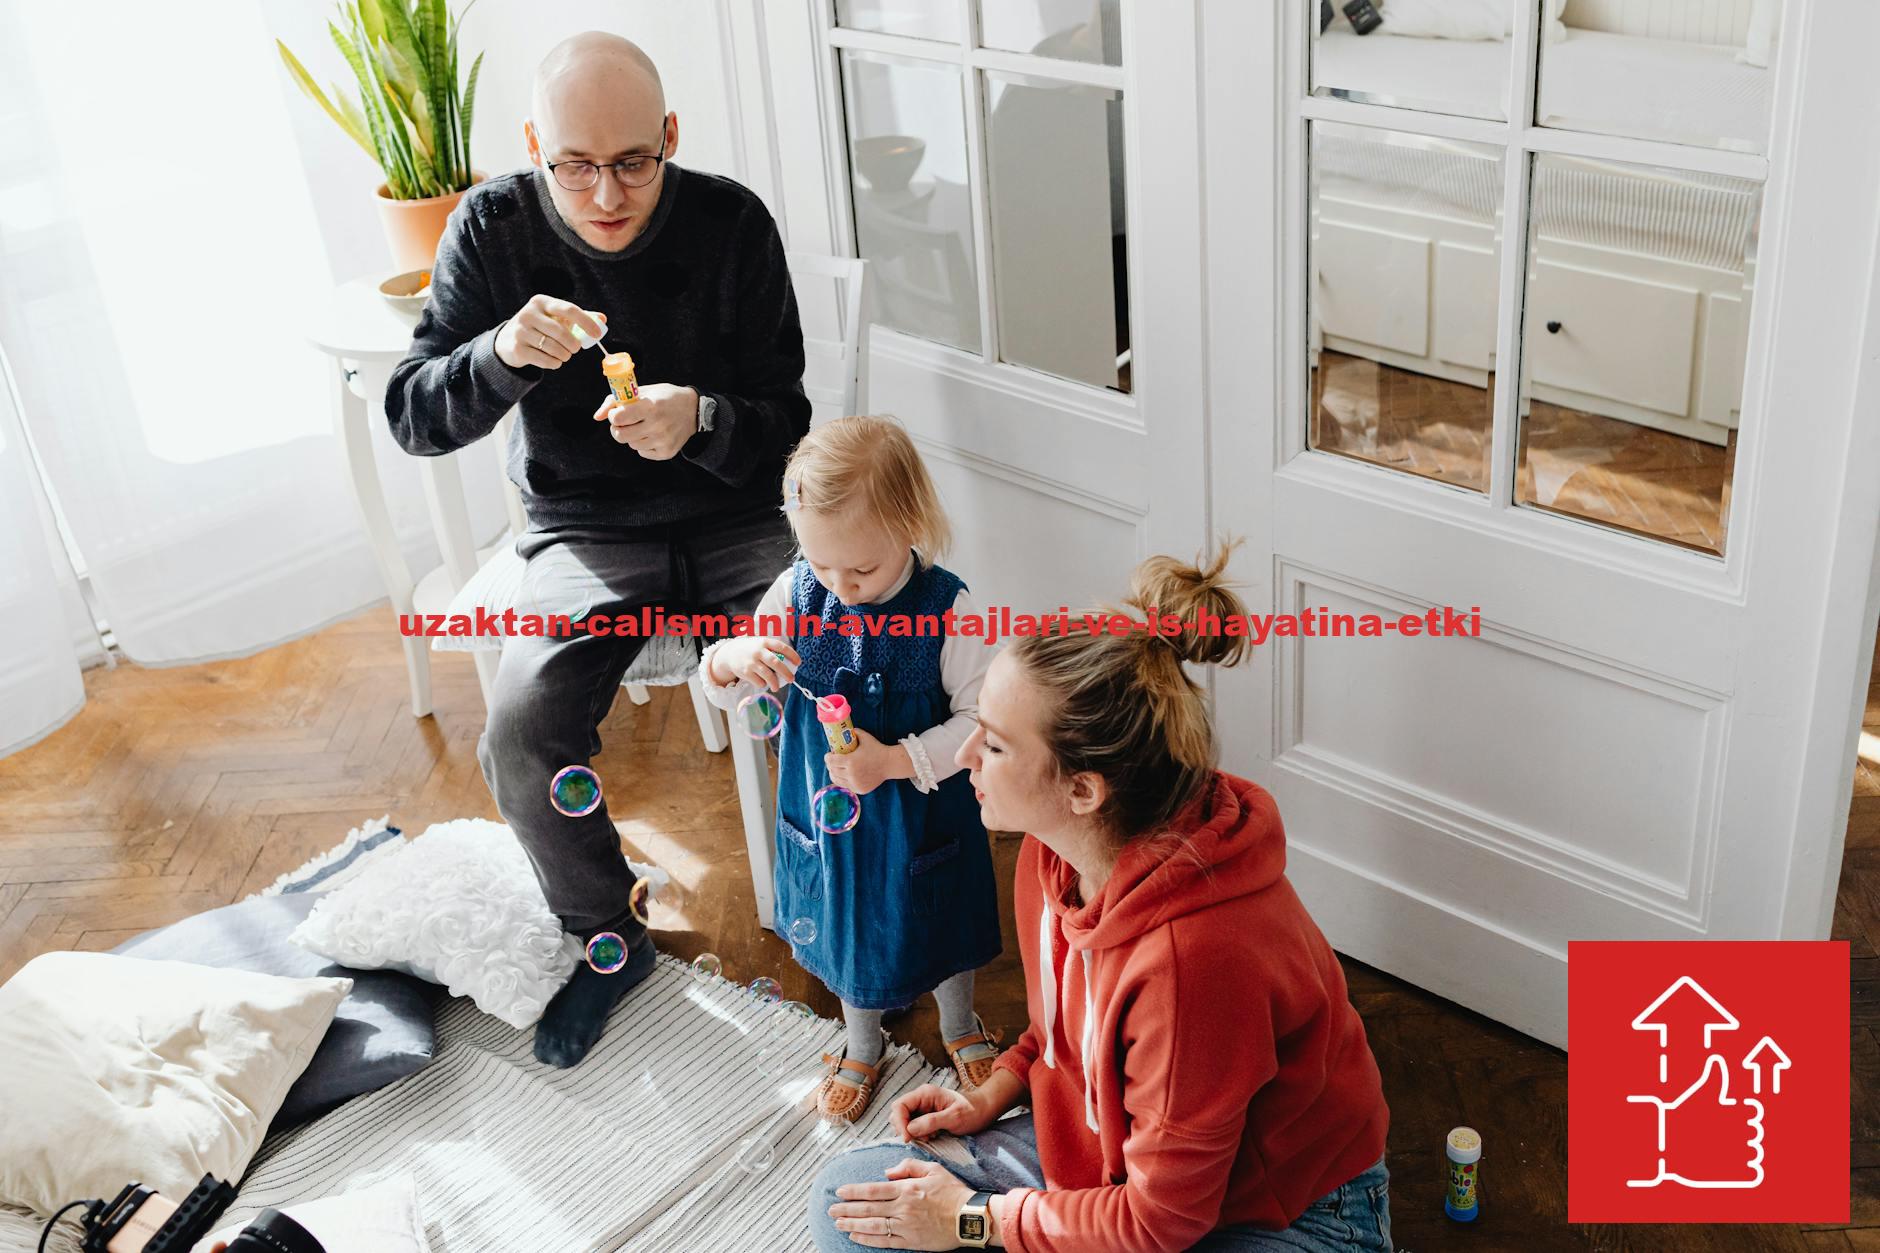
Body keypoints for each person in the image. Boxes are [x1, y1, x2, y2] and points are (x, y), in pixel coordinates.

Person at [384, 31, 810, 1067]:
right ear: (533, 147)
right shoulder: (489, 227)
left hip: (738, 517)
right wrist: (494, 356)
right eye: (573, 164)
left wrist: (701, 418)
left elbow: (788, 420)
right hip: (583, 532)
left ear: (670, 137)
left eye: (632, 161)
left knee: (845, 671)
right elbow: (411, 415)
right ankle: (607, 936)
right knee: (522, 728)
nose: (605, 193)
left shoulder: (731, 222)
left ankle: (844, 906)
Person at [808, 546, 1392, 1251]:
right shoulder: (1051, 854)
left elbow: (1160, 1221)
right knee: (847, 1198)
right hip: (1113, 1161)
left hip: (1282, 1213)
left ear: (1083, 790)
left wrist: (970, 1220)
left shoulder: (1194, 964)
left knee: (931, 1221)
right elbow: (1061, 1035)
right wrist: (995, 1091)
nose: (965, 757)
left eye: (992, 745)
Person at [699, 416, 1003, 1124]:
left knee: (944, 915)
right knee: (847, 921)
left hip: (927, 808)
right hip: (828, 815)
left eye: (860, 570)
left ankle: (959, 1021)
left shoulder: (947, 611)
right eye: (822, 564)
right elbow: (722, 686)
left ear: (910, 526)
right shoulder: (799, 592)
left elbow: (981, 722)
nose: (841, 585)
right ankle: (861, 1041)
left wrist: (894, 760)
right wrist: (734, 658)